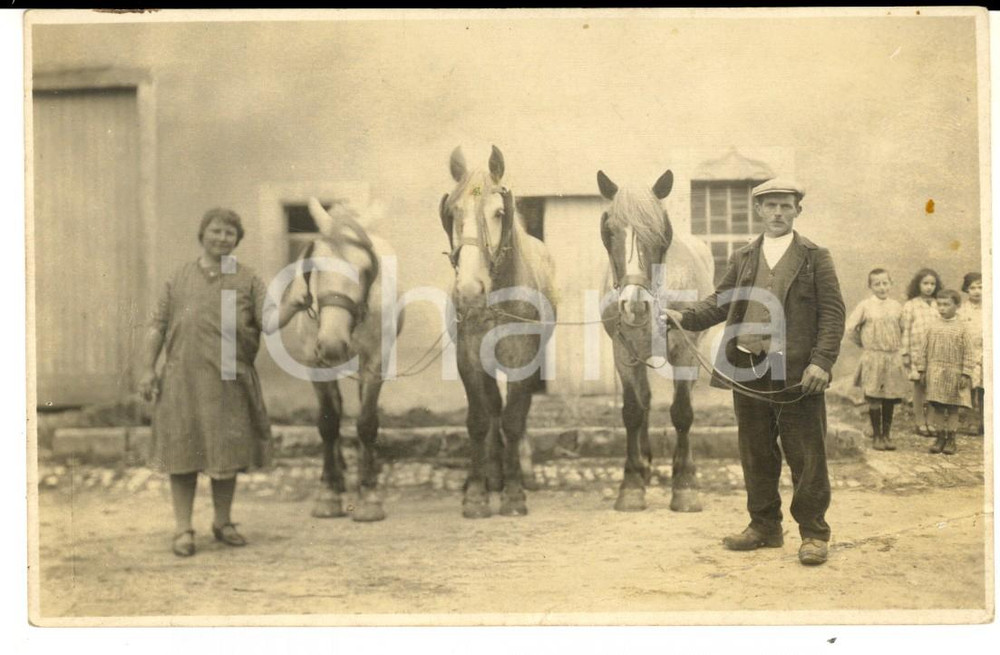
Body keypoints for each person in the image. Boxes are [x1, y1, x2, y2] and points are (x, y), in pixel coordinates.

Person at [663, 178, 845, 566]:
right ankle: (764, 526)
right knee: (755, 451)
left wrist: (822, 362)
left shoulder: (816, 256)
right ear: (759, 211)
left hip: (798, 373)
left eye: (785, 206)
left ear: (798, 210)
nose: (778, 213)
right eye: (770, 206)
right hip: (747, 367)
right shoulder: (745, 257)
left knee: (806, 454)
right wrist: (684, 315)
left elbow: (832, 314)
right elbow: (720, 302)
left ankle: (813, 534)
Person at [138, 208, 307, 557]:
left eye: (230, 233)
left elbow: (270, 322)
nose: (222, 238)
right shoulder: (179, 277)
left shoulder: (247, 279)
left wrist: (293, 305)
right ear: (202, 234)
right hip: (182, 381)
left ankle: (223, 522)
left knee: (225, 456)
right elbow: (157, 326)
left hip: (229, 380)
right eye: (216, 231)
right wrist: (146, 369)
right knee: (181, 457)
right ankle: (183, 529)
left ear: (237, 239)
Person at [845, 268, 909, 451]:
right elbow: (850, 329)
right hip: (873, 356)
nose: (882, 287)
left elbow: (904, 329)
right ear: (870, 286)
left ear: (891, 284)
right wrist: (865, 345)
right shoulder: (865, 306)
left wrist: (900, 350)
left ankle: (887, 435)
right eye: (877, 284)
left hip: (892, 357)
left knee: (889, 397)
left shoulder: (897, 306)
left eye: (885, 283)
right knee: (874, 396)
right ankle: (877, 436)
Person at [918, 289, 977, 455]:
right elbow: (923, 349)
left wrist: (966, 373)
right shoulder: (932, 326)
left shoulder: (963, 328)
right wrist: (922, 370)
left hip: (954, 373)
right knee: (937, 406)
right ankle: (940, 437)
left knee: (952, 407)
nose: (942, 308)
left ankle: (951, 438)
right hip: (935, 371)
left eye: (946, 304)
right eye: (939, 304)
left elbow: (969, 352)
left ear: (957, 306)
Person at [901, 268, 942, 437]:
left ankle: (931, 421)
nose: (929, 287)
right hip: (917, 352)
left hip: (936, 352)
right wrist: (905, 353)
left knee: (933, 387)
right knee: (919, 387)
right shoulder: (911, 305)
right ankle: (919, 421)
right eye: (925, 283)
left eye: (932, 284)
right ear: (918, 285)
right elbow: (906, 330)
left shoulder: (939, 304)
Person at [958, 272, 984, 435]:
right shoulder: (962, 311)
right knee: (969, 389)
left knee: (984, 388)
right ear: (966, 290)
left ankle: (984, 419)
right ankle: (971, 421)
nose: (977, 291)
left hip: (986, 351)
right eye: (972, 288)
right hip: (969, 352)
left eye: (980, 287)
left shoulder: (991, 307)